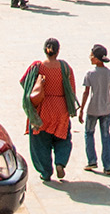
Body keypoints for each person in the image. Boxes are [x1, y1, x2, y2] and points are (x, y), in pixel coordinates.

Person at [20, 38, 78, 183]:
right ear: (58, 51)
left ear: (45, 49)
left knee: (40, 143)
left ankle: (45, 172)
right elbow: (71, 90)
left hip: (42, 108)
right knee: (63, 138)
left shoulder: (37, 67)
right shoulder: (65, 67)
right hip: (60, 108)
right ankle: (60, 162)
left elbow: (24, 82)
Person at [79, 44, 110, 175]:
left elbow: (86, 92)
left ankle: (92, 160)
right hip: (106, 109)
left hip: (92, 110)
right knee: (105, 136)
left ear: (96, 58)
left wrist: (81, 109)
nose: (90, 57)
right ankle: (107, 166)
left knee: (89, 133)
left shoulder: (90, 74)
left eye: (91, 55)